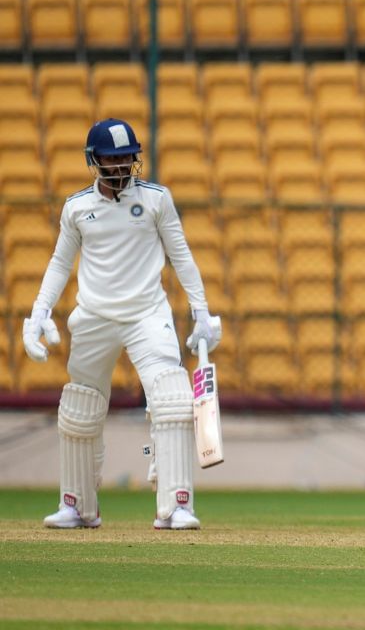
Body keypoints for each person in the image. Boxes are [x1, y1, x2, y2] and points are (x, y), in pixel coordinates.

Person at [23, 118, 222, 530]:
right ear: (94, 161)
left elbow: (180, 255)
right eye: (112, 160)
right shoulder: (77, 207)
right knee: (80, 408)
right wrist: (39, 313)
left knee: (171, 401)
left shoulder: (156, 200)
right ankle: (76, 505)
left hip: (147, 314)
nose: (121, 167)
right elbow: (60, 263)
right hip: (94, 316)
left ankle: (176, 504)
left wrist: (201, 312)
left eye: (127, 158)